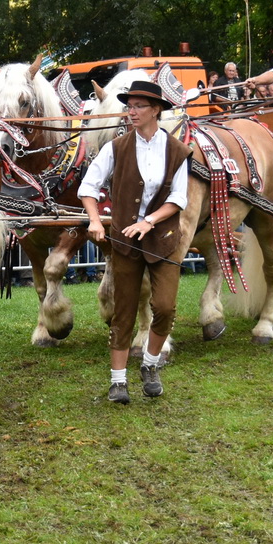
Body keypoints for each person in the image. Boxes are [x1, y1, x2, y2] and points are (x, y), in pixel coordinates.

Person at [79, 79, 191, 405]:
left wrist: (150, 220)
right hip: (125, 241)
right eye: (130, 106)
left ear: (156, 110)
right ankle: (118, 381)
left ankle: (150, 364)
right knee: (123, 310)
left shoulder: (177, 150)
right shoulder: (116, 147)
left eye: (139, 106)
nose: (132, 112)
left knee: (166, 308)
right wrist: (96, 220)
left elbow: (179, 198)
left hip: (163, 238)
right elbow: (88, 187)